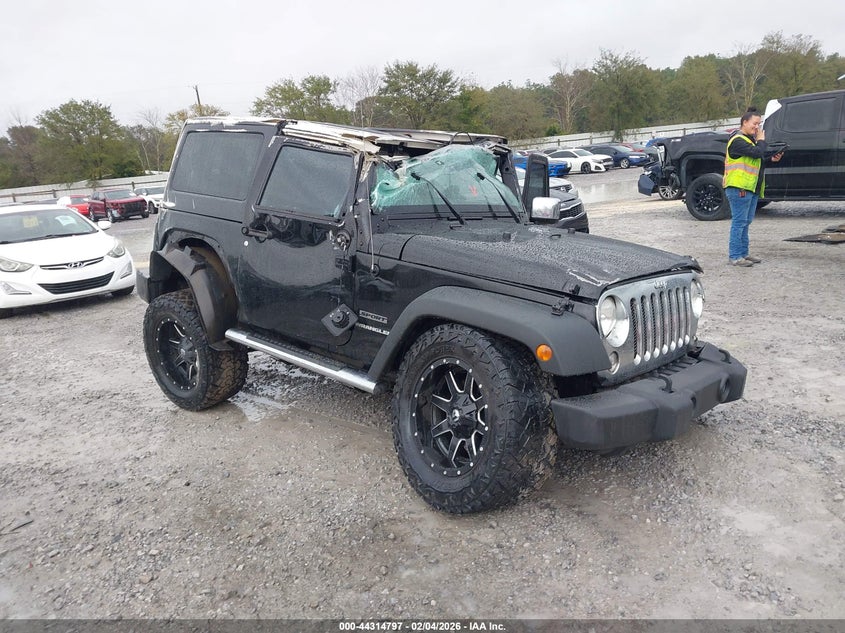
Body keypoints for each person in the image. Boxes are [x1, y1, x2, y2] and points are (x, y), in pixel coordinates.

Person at [723, 108, 783, 266]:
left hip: (750, 188)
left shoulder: (748, 141)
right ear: (744, 122)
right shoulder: (737, 140)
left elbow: (757, 159)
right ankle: (735, 257)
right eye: (755, 123)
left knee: (746, 221)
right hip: (739, 187)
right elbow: (757, 153)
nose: (757, 127)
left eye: (759, 124)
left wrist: (772, 159)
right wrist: (762, 140)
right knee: (739, 222)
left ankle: (744, 253)